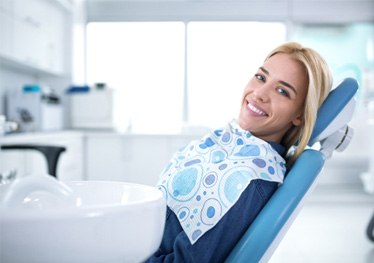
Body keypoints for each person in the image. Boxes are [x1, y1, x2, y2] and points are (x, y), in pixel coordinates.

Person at [145, 42, 332, 262]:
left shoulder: (248, 179)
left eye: (282, 91)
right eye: (261, 77)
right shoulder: (226, 142)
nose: (259, 93)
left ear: (299, 115)